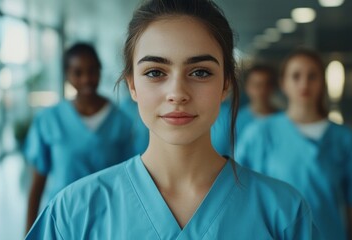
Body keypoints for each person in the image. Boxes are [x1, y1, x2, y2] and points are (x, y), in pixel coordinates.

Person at [26, 1, 317, 239]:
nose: (177, 93)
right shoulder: (74, 212)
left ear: (226, 84)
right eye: (155, 72)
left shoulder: (284, 213)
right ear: (132, 85)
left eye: (200, 72)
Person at [237, 48, 352, 240]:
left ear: (322, 82)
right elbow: (241, 200)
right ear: (283, 83)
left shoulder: (345, 140)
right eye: (296, 76)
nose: (304, 83)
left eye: (312, 76)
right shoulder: (259, 135)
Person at [24, 43, 134, 232]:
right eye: (77, 72)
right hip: (62, 221)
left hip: (108, 222)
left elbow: (129, 180)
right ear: (67, 75)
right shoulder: (50, 120)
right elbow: (37, 185)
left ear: (100, 71)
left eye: (92, 71)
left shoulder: (121, 121)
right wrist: (28, 233)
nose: (86, 79)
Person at [211, 64, 278, 156]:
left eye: (267, 85)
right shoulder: (233, 121)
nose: (262, 90)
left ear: (274, 87)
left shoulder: (285, 121)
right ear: (247, 87)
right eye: (257, 85)